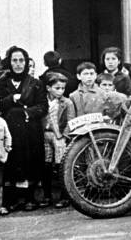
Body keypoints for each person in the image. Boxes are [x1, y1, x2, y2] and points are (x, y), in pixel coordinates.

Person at [0, 46, 47, 211]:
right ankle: (14, 199)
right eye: (14, 60)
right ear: (9, 63)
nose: (18, 64)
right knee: (12, 162)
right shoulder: (2, 82)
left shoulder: (35, 83)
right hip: (9, 129)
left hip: (29, 129)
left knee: (30, 162)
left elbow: (42, 106)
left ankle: (29, 198)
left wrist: (26, 112)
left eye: (21, 60)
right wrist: (11, 98)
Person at [41, 73, 75, 208]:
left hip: (59, 136)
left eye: (62, 88)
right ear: (48, 88)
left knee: (60, 165)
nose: (60, 91)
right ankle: (47, 195)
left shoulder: (67, 103)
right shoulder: (42, 101)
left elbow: (70, 121)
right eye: (57, 88)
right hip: (45, 134)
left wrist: (64, 136)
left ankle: (63, 196)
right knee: (46, 165)